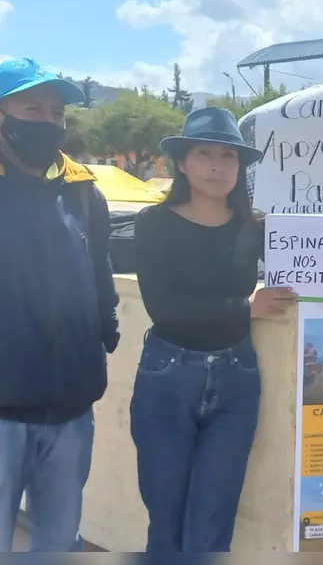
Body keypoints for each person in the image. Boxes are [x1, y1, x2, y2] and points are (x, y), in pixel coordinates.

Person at [130, 106, 323, 552]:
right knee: (166, 516)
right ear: (183, 163)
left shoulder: (257, 226)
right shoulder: (154, 224)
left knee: (213, 516)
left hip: (236, 378)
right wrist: (246, 308)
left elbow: (306, 273)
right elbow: (163, 308)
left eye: (228, 155)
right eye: (205, 154)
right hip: (168, 377)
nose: (218, 165)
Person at [0, 57, 120, 552]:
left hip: (71, 408)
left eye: (57, 112)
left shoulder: (84, 193)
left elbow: (100, 272)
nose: (48, 121)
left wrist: (106, 325)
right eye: (32, 108)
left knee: (57, 545)